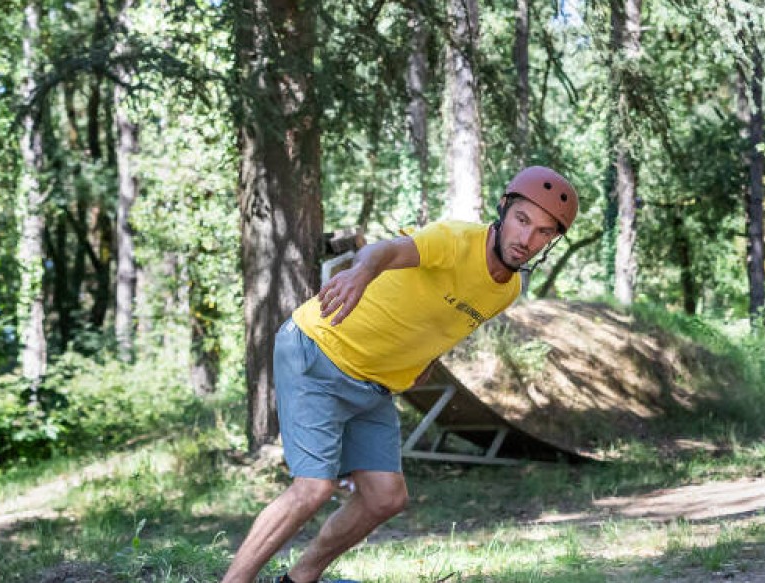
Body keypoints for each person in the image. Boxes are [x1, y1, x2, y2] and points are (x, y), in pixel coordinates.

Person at [222, 167, 580, 583]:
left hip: (373, 386)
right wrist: (360, 271)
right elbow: (388, 251)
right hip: (317, 352)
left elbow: (450, 320)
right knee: (314, 488)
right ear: (503, 209)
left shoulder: (508, 290)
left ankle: (298, 580)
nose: (526, 239)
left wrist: (424, 362)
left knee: (384, 498)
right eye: (522, 220)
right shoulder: (454, 239)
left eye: (542, 233)